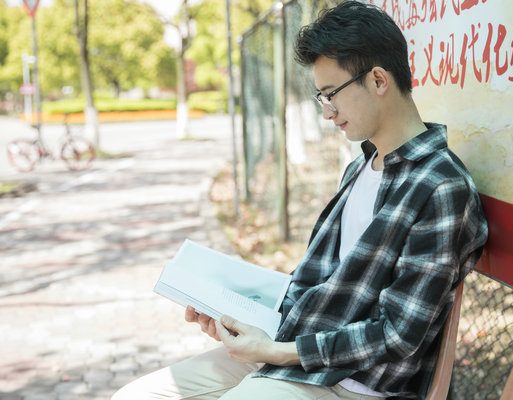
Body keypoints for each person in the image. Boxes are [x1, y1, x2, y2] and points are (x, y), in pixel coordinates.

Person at [112, 1, 487, 399]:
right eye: (320, 97)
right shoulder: (362, 166)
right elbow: (320, 285)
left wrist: (276, 350)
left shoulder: (442, 187)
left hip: (356, 384)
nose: (328, 112)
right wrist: (237, 319)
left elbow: (396, 333)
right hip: (293, 352)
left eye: (331, 94)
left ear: (378, 80)